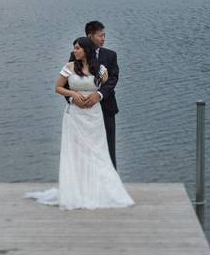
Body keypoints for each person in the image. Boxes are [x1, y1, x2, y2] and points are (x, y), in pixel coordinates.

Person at [25, 36, 134, 209]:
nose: (74, 51)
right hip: (74, 116)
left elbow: (106, 87)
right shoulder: (68, 67)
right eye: (74, 48)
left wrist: (97, 95)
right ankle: (76, 191)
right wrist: (73, 95)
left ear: (86, 50)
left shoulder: (100, 68)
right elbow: (58, 87)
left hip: (94, 115)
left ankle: (99, 190)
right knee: (75, 152)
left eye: (77, 48)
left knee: (97, 151)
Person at [68, 21, 120, 169]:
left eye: (104, 35)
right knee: (82, 148)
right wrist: (73, 98)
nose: (103, 38)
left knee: (108, 148)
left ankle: (110, 185)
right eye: (100, 35)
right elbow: (67, 83)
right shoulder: (75, 55)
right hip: (81, 111)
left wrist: (99, 95)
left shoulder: (110, 55)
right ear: (90, 36)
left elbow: (113, 79)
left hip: (106, 108)